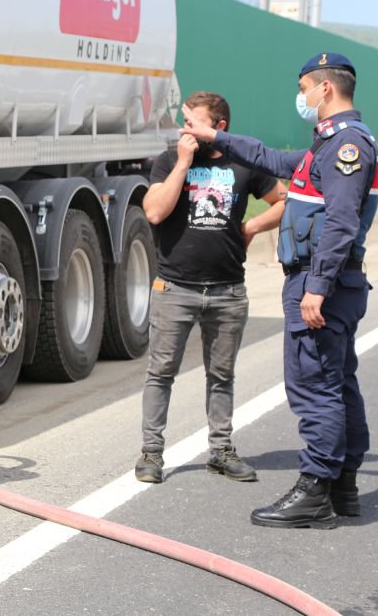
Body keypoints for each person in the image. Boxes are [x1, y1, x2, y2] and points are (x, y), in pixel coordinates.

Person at [180, 53, 378, 529]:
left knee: (314, 388)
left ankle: (315, 489)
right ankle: (343, 486)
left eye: (304, 88)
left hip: (322, 283)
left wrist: (316, 286)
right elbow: (271, 158)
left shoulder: (346, 144)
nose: (302, 97)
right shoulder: (329, 144)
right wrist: (216, 137)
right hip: (331, 282)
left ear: (324, 90)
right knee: (336, 382)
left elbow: (340, 221)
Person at [135, 92, 286, 485]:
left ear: (218, 127)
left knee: (222, 375)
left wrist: (252, 226)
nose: (186, 130)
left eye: (194, 123)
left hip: (227, 291)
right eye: (184, 123)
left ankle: (220, 451)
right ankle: (151, 453)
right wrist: (184, 163)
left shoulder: (243, 162)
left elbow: (285, 200)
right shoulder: (170, 160)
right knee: (161, 372)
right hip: (174, 288)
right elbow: (154, 211)